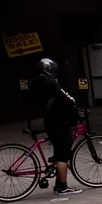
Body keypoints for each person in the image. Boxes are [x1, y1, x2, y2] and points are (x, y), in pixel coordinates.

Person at [30, 58, 82, 196]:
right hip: (59, 120)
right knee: (63, 155)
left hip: (48, 119)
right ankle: (62, 187)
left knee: (58, 148)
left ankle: (58, 176)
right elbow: (66, 98)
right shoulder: (51, 82)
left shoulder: (34, 82)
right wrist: (75, 108)